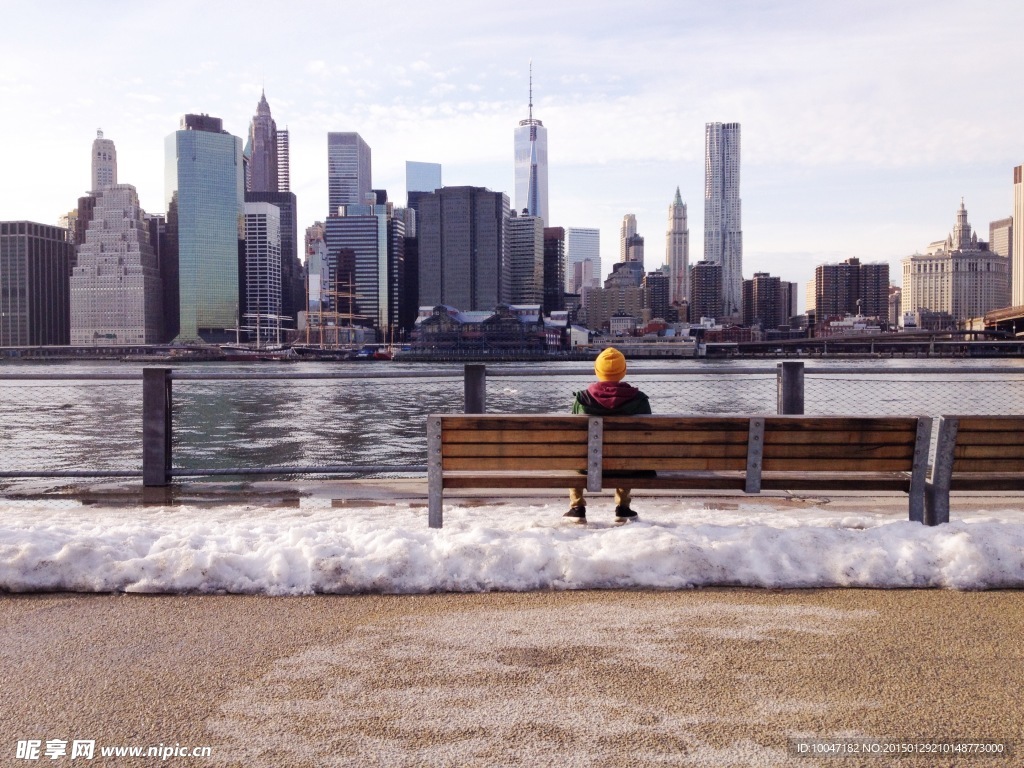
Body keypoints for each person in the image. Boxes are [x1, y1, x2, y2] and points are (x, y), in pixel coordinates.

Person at [566, 347, 651, 524]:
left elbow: (572, 437)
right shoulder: (639, 400)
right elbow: (647, 436)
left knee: (575, 455)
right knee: (630, 452)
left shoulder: (582, 399)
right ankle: (623, 507)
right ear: (624, 371)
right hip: (626, 466)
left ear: (597, 371)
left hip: (587, 466)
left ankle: (577, 507)